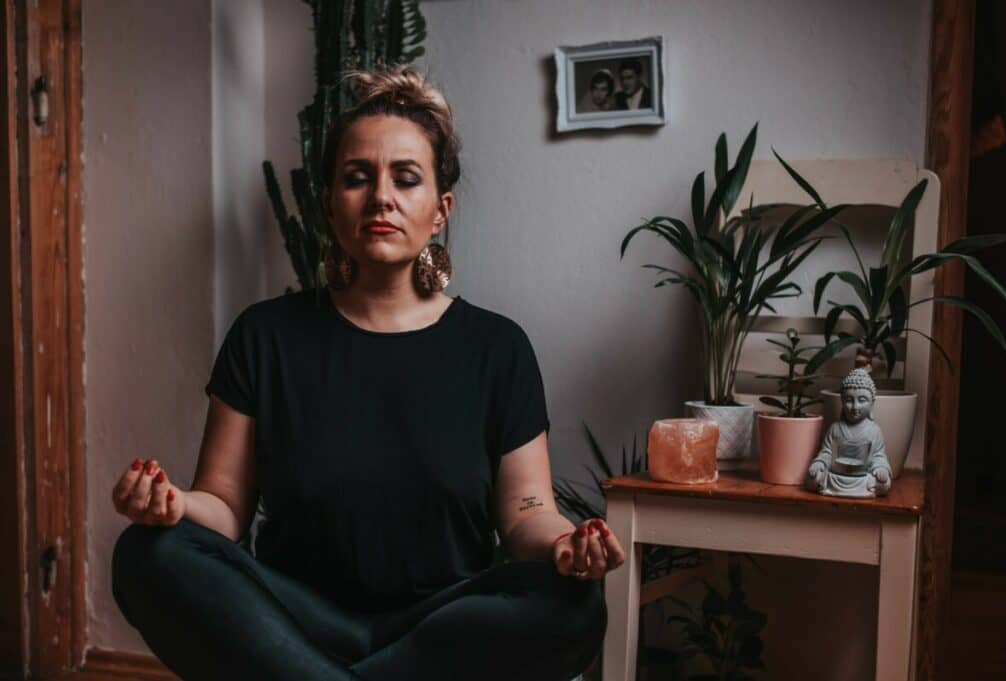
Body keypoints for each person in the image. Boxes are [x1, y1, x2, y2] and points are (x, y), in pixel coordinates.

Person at [109, 65, 622, 681]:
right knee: (147, 554)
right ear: (330, 206)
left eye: (406, 179)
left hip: (441, 621)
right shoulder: (265, 335)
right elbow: (222, 507)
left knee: (574, 602)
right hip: (294, 614)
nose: (382, 197)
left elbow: (525, 516)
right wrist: (169, 506)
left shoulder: (498, 348)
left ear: (440, 210)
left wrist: (565, 546)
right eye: (357, 178)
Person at [806, 368, 893, 497]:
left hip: (862, 478)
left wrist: (881, 468)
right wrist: (820, 463)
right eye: (849, 400)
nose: (855, 407)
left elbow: (878, 456)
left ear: (872, 403)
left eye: (862, 400)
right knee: (813, 479)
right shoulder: (835, 428)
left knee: (883, 483)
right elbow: (827, 452)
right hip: (836, 476)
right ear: (842, 401)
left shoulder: (874, 431)